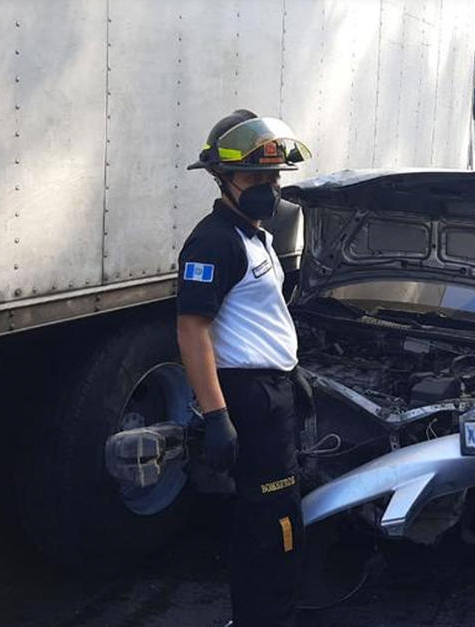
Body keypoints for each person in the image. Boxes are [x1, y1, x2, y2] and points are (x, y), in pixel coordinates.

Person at [178, 109, 310, 627]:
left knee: (271, 520)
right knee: (272, 524)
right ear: (223, 179)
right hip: (249, 398)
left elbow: (261, 317)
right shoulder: (215, 241)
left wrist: (290, 372)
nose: (268, 187)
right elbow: (192, 330)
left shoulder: (257, 236)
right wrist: (216, 415)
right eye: (255, 177)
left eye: (274, 177)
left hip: (272, 390)